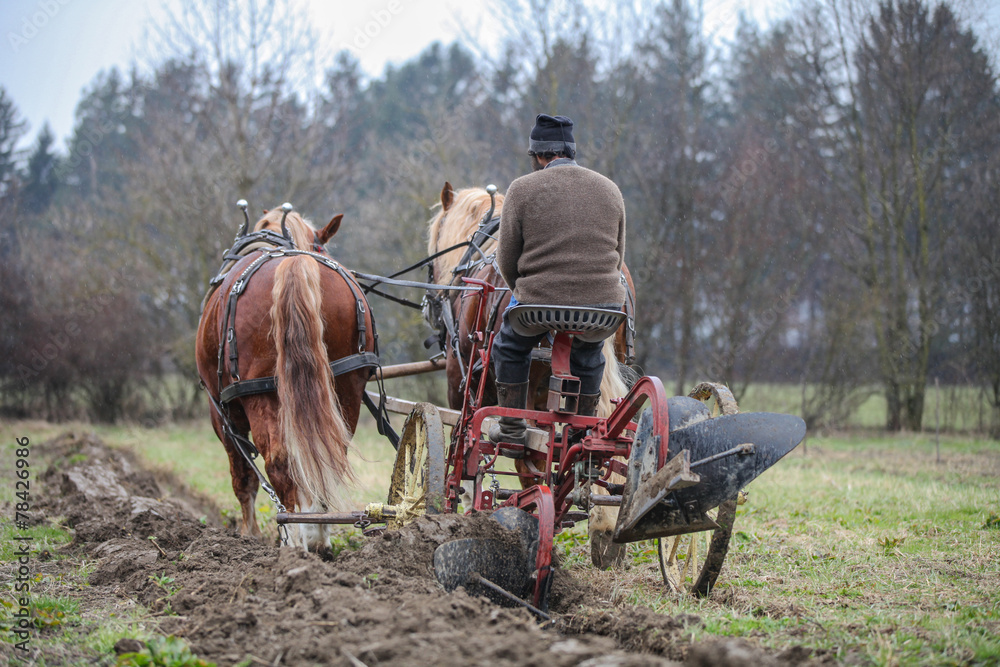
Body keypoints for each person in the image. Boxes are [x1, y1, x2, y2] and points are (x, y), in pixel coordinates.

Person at [490, 113, 627, 449]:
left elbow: (506, 260)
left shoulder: (521, 189)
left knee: (509, 346)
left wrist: (526, 290)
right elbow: (619, 256)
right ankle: (581, 431)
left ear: (538, 155)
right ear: (572, 151)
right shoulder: (610, 189)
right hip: (605, 309)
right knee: (590, 354)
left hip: (537, 306)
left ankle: (511, 428)